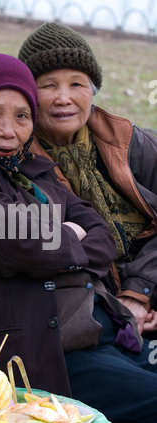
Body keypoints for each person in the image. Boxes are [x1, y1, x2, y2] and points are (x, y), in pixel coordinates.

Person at [0, 53, 157, 423]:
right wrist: (67, 233)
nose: (7, 130)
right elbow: (31, 249)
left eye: (21, 116)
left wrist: (62, 236)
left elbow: (98, 233)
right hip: (36, 359)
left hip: (96, 334)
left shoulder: (32, 171)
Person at [18, 22, 157, 338]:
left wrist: (141, 294)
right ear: (28, 95)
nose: (63, 98)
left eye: (77, 84)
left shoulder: (131, 143)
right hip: (93, 315)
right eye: (49, 85)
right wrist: (127, 306)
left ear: (92, 90)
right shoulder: (21, 169)